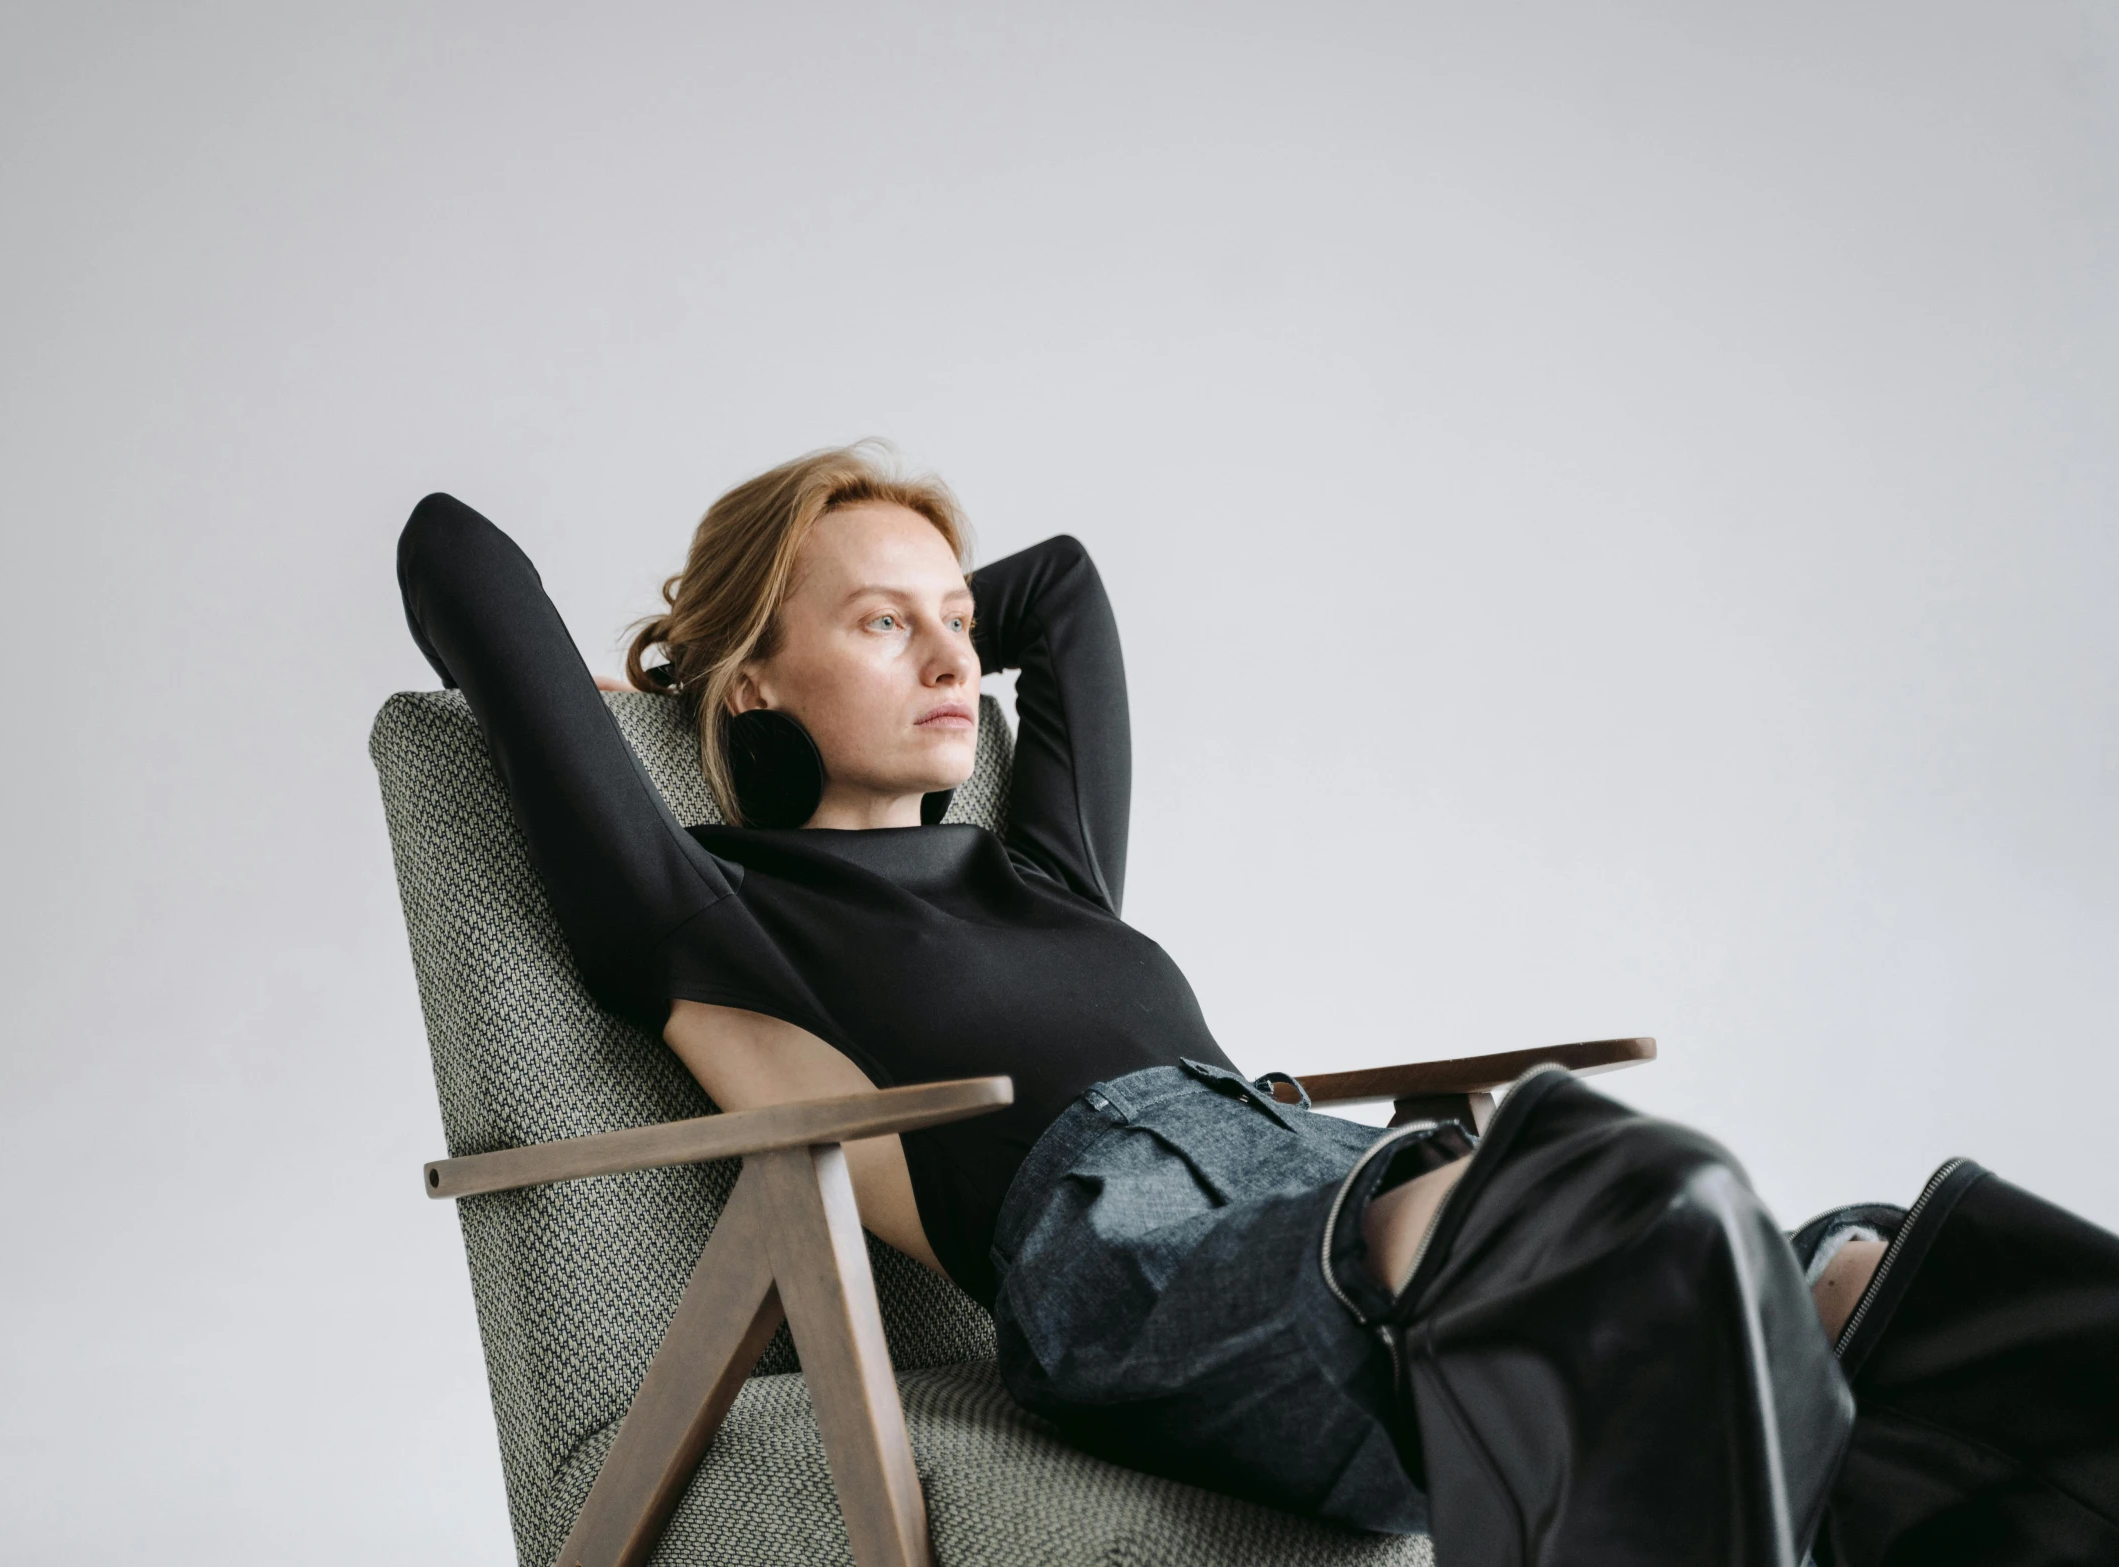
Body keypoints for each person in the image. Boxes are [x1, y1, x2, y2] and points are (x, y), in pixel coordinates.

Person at [395, 444, 2118, 1567]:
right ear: (751, 671)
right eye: (880, 626)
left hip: (1321, 1176)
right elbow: (455, 559)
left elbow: (1059, 591)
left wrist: (895, 603)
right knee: (1635, 1202)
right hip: (1121, 1248)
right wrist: (722, 639)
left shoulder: (1041, 874)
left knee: (1894, 1283)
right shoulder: (708, 915)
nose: (949, 662)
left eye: (949, 624)